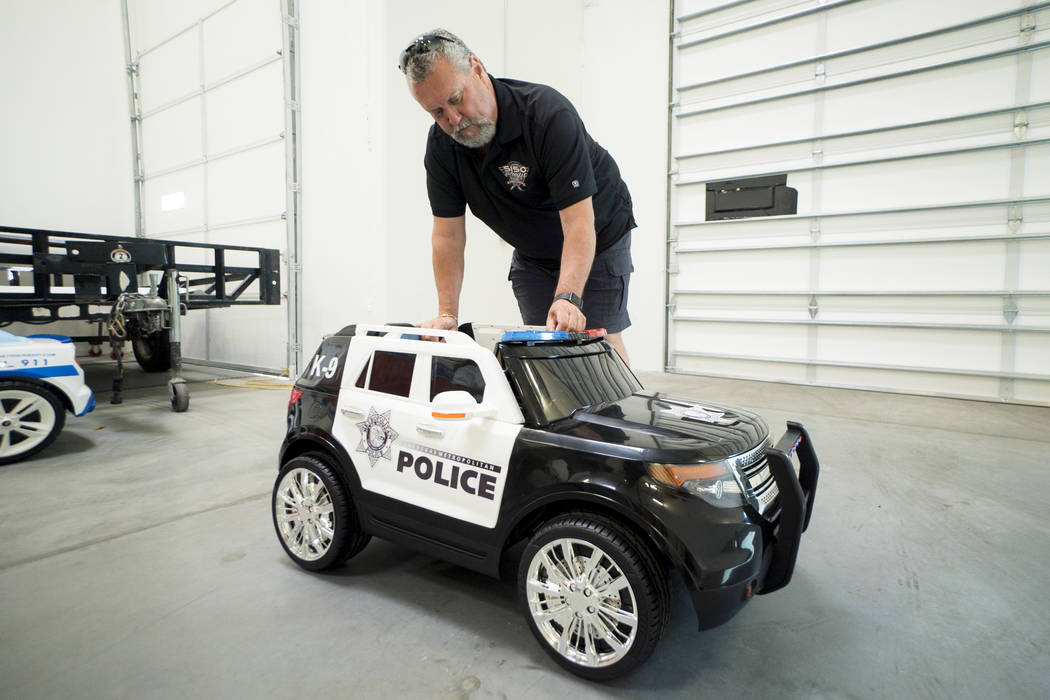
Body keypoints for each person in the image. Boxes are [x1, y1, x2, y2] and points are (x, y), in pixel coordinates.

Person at [399, 29, 637, 362]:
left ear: (476, 69)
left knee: (598, 343)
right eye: (437, 112)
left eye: (456, 99)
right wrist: (447, 315)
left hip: (598, 233)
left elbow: (578, 222)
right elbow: (448, 235)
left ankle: (615, 398)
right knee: (543, 349)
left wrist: (568, 296)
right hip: (533, 253)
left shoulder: (546, 115)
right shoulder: (442, 147)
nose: (453, 119)